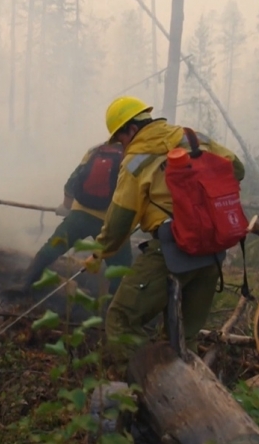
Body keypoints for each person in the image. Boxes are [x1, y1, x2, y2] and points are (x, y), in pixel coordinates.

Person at [83, 96, 245, 378]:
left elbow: (120, 218)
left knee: (121, 318)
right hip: (213, 250)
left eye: (120, 140)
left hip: (174, 251)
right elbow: (237, 169)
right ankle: (192, 396)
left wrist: (99, 252)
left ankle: (147, 391)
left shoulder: (136, 159)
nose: (122, 147)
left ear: (131, 130)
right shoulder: (194, 137)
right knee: (184, 336)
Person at [19, 139, 134, 297]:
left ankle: (24, 284)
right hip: (110, 221)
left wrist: (66, 207)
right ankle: (114, 309)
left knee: (51, 247)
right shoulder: (133, 156)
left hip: (79, 215)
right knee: (121, 267)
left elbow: (71, 183)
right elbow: (135, 188)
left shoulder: (95, 150)